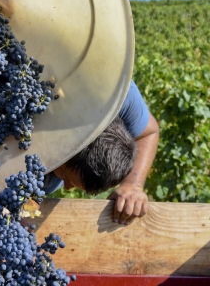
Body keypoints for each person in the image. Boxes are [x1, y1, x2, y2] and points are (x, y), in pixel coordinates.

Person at [43, 81, 159, 225]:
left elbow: (148, 133)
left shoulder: (123, 104)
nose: (66, 187)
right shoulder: (115, 90)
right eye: (65, 175)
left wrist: (133, 184)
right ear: (68, 147)